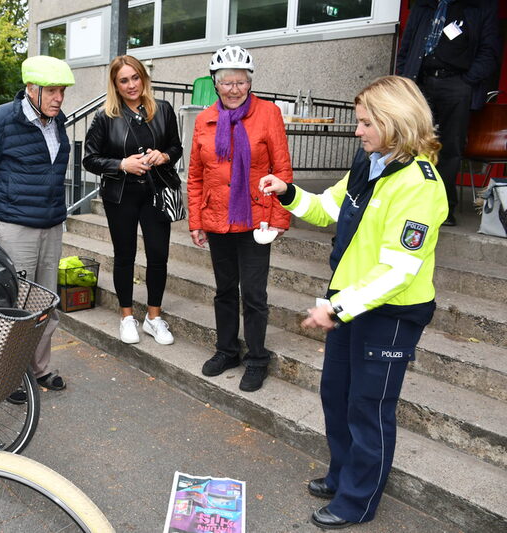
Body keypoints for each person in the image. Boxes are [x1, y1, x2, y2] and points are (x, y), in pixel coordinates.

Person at [260, 75, 447, 529]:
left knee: (369, 405)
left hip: (391, 313)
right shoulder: (369, 165)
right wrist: (287, 192)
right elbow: (327, 207)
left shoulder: (421, 185)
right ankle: (343, 474)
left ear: (394, 121)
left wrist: (336, 308)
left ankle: (358, 500)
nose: (357, 131)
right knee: (337, 395)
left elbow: (398, 271)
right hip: (348, 304)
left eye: (365, 123)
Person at [187, 45, 292, 392]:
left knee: (255, 294)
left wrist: (278, 219)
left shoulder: (268, 114)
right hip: (217, 218)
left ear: (250, 83)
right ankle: (227, 350)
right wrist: (196, 220)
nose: (234, 89)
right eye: (226, 82)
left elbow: (282, 170)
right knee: (224, 291)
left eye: (241, 82)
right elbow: (196, 175)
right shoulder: (204, 120)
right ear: (214, 84)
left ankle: (257, 358)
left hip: (256, 218)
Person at [0, 55, 75, 392]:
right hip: (16, 227)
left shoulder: (56, 122)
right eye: (52, 91)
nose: (59, 98)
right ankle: (9, 376)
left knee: (45, 302)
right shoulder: (1, 120)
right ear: (31, 89)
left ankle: (39, 368)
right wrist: (1, 215)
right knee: (12, 303)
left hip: (51, 224)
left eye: (62, 91)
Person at [83, 55, 183, 345]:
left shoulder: (162, 109)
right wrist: (121, 165)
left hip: (156, 193)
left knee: (158, 256)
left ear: (144, 78)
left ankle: (153, 318)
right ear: (115, 84)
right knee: (124, 256)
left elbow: (175, 146)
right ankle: (127, 317)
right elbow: (89, 159)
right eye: (123, 80)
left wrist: (164, 156)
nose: (131, 85)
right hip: (121, 195)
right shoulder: (105, 116)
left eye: (135, 77)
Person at [395, 0, 500, 226]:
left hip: (456, 84)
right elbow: (406, 49)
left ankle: (442, 209)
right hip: (418, 83)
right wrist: (403, 81)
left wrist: (466, 82)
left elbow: (489, 52)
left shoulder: (480, 7)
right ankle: (409, 205)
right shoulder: (423, 6)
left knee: (450, 149)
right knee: (412, 145)